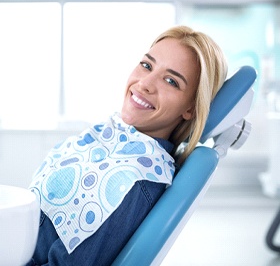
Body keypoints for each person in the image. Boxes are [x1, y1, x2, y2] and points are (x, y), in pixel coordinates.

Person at [26, 25, 227, 266]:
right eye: (147, 65)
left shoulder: (133, 181)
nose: (145, 84)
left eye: (171, 81)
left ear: (191, 108)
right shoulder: (109, 135)